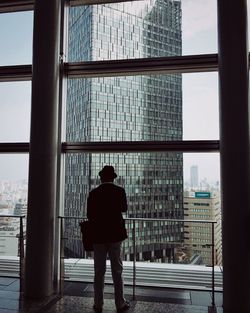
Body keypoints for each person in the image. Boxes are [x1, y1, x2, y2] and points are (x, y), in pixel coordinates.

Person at [87, 166, 130, 313]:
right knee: (117, 270)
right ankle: (120, 304)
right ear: (113, 178)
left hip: (98, 236)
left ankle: (98, 304)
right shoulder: (120, 191)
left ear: (101, 178)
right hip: (115, 235)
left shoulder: (93, 193)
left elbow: (89, 215)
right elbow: (124, 209)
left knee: (99, 271)